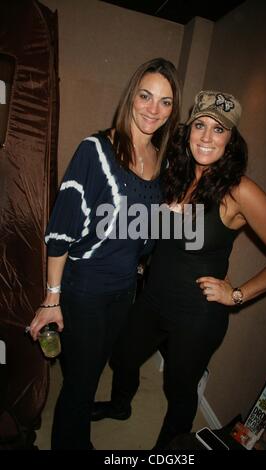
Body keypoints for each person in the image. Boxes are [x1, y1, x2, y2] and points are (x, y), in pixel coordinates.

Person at [91, 90, 266, 449]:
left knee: (179, 388)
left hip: (198, 314)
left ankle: (168, 453)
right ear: (188, 131)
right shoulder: (176, 174)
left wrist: (236, 295)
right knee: (123, 354)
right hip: (154, 298)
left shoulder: (239, 191)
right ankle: (120, 405)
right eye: (200, 125)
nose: (206, 136)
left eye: (219, 130)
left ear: (231, 140)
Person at [29, 57, 181, 450]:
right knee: (79, 387)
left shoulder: (159, 163)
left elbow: (141, 242)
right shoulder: (96, 151)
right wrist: (51, 297)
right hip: (85, 291)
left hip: (124, 292)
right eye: (146, 96)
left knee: (92, 373)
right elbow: (60, 232)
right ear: (131, 96)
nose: (153, 109)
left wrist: (166, 217)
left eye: (165, 102)